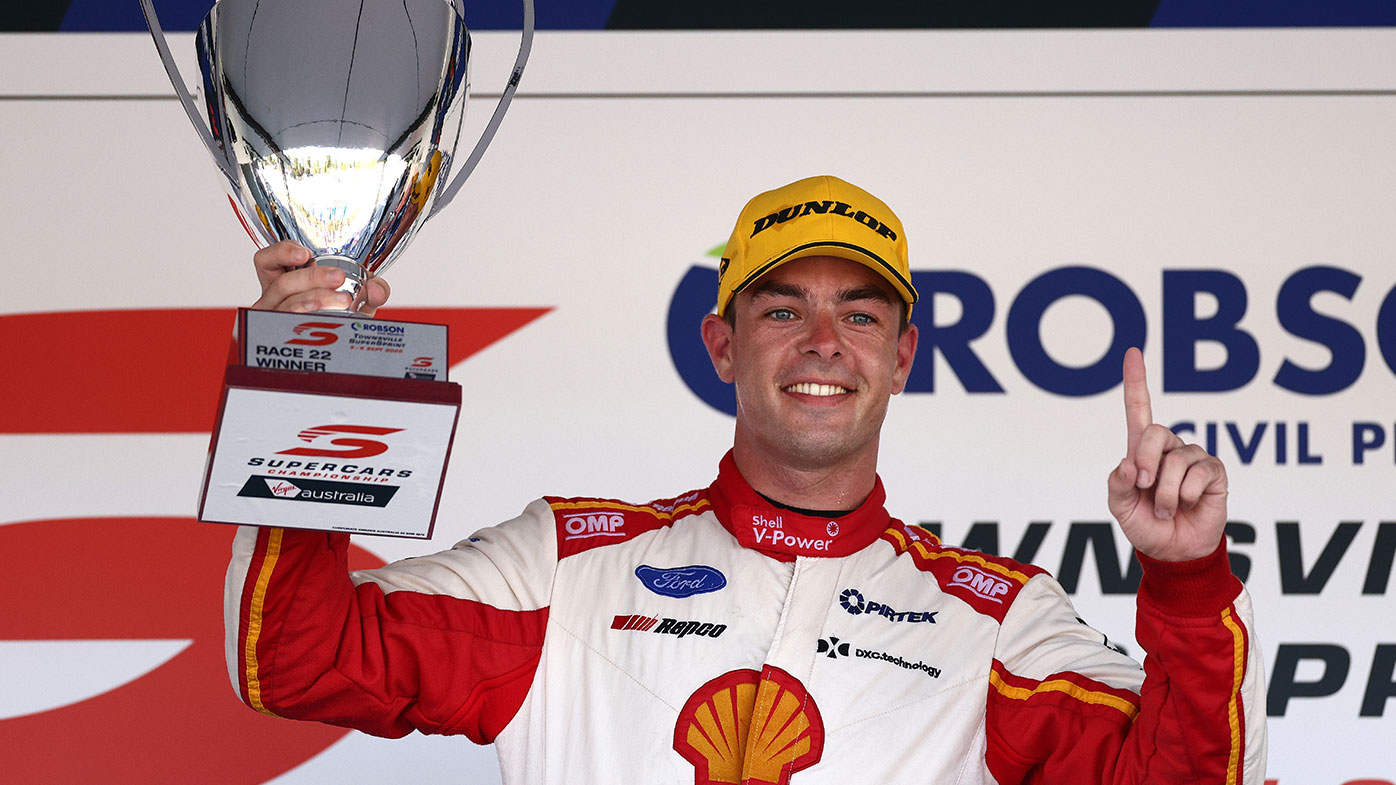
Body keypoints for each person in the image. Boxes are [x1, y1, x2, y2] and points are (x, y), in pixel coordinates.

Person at [228, 175, 1265, 784]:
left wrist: (1185, 581)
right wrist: (313, 385)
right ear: (720, 344)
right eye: (782, 310)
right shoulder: (568, 562)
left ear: (901, 357)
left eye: (860, 314)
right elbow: (300, 662)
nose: (823, 340)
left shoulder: (996, 620)